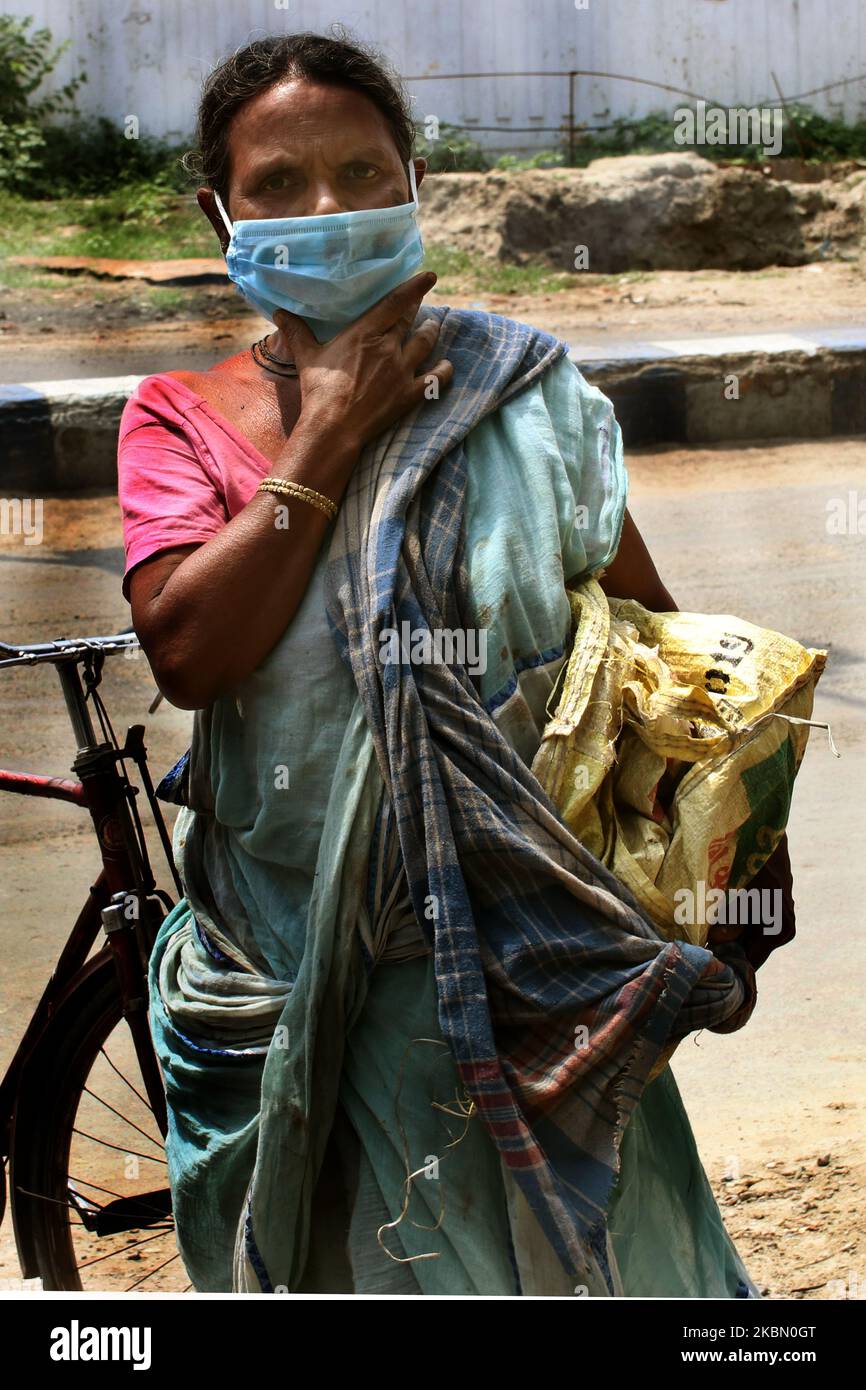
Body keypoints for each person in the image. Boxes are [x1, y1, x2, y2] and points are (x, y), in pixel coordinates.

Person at [117, 30, 788, 1296]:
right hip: (295, 974)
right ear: (220, 211)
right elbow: (191, 653)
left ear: (412, 182)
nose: (325, 209)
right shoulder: (181, 417)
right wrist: (327, 431)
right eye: (276, 185)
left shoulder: (519, 390)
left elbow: (648, 626)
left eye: (361, 172)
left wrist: (745, 825)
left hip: (523, 968)